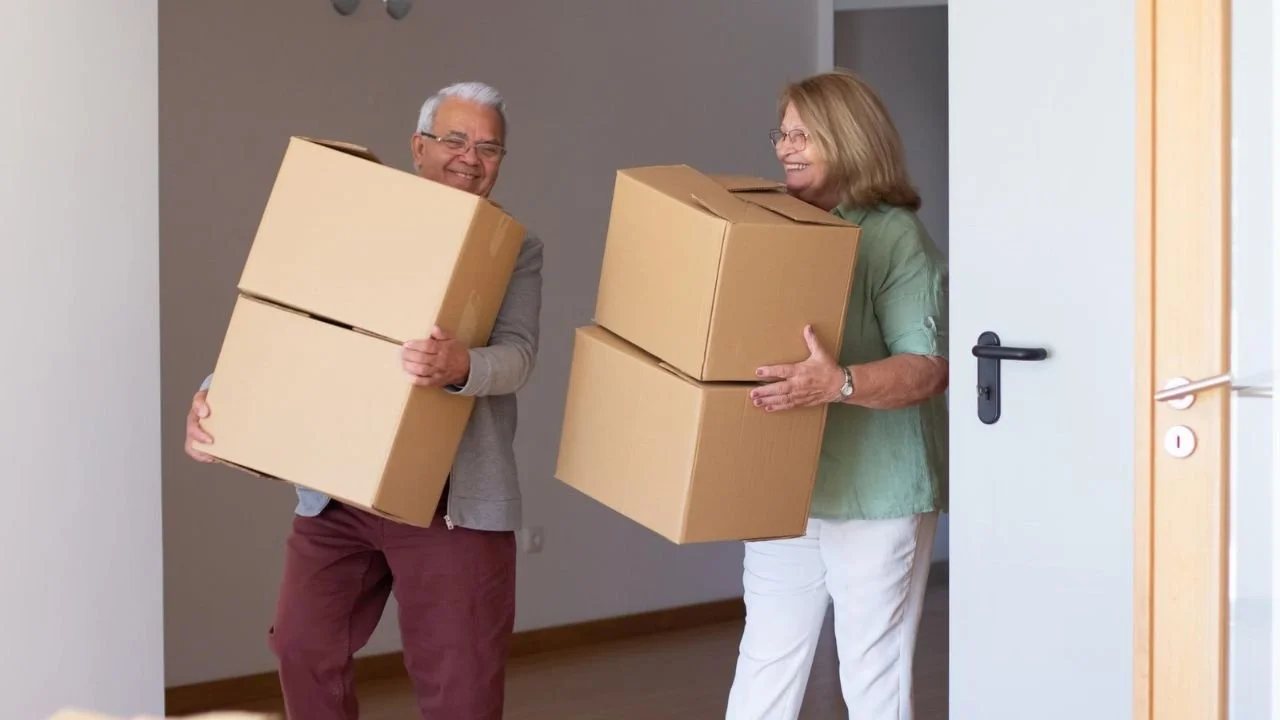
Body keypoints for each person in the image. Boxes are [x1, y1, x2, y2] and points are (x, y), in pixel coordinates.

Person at [183, 81, 543, 720]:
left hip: (450, 504)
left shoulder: (512, 247)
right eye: (454, 139)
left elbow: (518, 355)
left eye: (489, 148)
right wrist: (218, 395)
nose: (471, 158)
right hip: (339, 492)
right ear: (418, 147)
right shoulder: (360, 221)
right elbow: (291, 315)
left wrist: (462, 364)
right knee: (301, 647)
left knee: (460, 687)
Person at [725, 69, 949, 720]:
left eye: (803, 135)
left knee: (872, 674)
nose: (785, 148)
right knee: (765, 662)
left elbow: (928, 369)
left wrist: (839, 382)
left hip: (876, 495)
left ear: (849, 138)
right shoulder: (773, 227)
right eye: (781, 134)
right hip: (787, 489)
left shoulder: (894, 236)